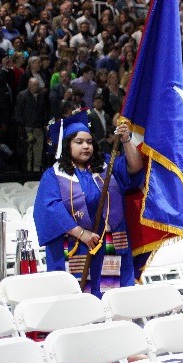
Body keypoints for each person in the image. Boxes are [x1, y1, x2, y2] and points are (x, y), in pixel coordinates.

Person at [33, 111, 145, 298]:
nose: (86, 146)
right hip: (76, 245)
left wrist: (126, 140)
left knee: (113, 299)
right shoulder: (54, 175)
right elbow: (50, 208)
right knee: (77, 302)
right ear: (67, 145)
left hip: (108, 244)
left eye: (89, 142)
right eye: (79, 142)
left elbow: (135, 167)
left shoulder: (105, 166)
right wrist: (82, 234)